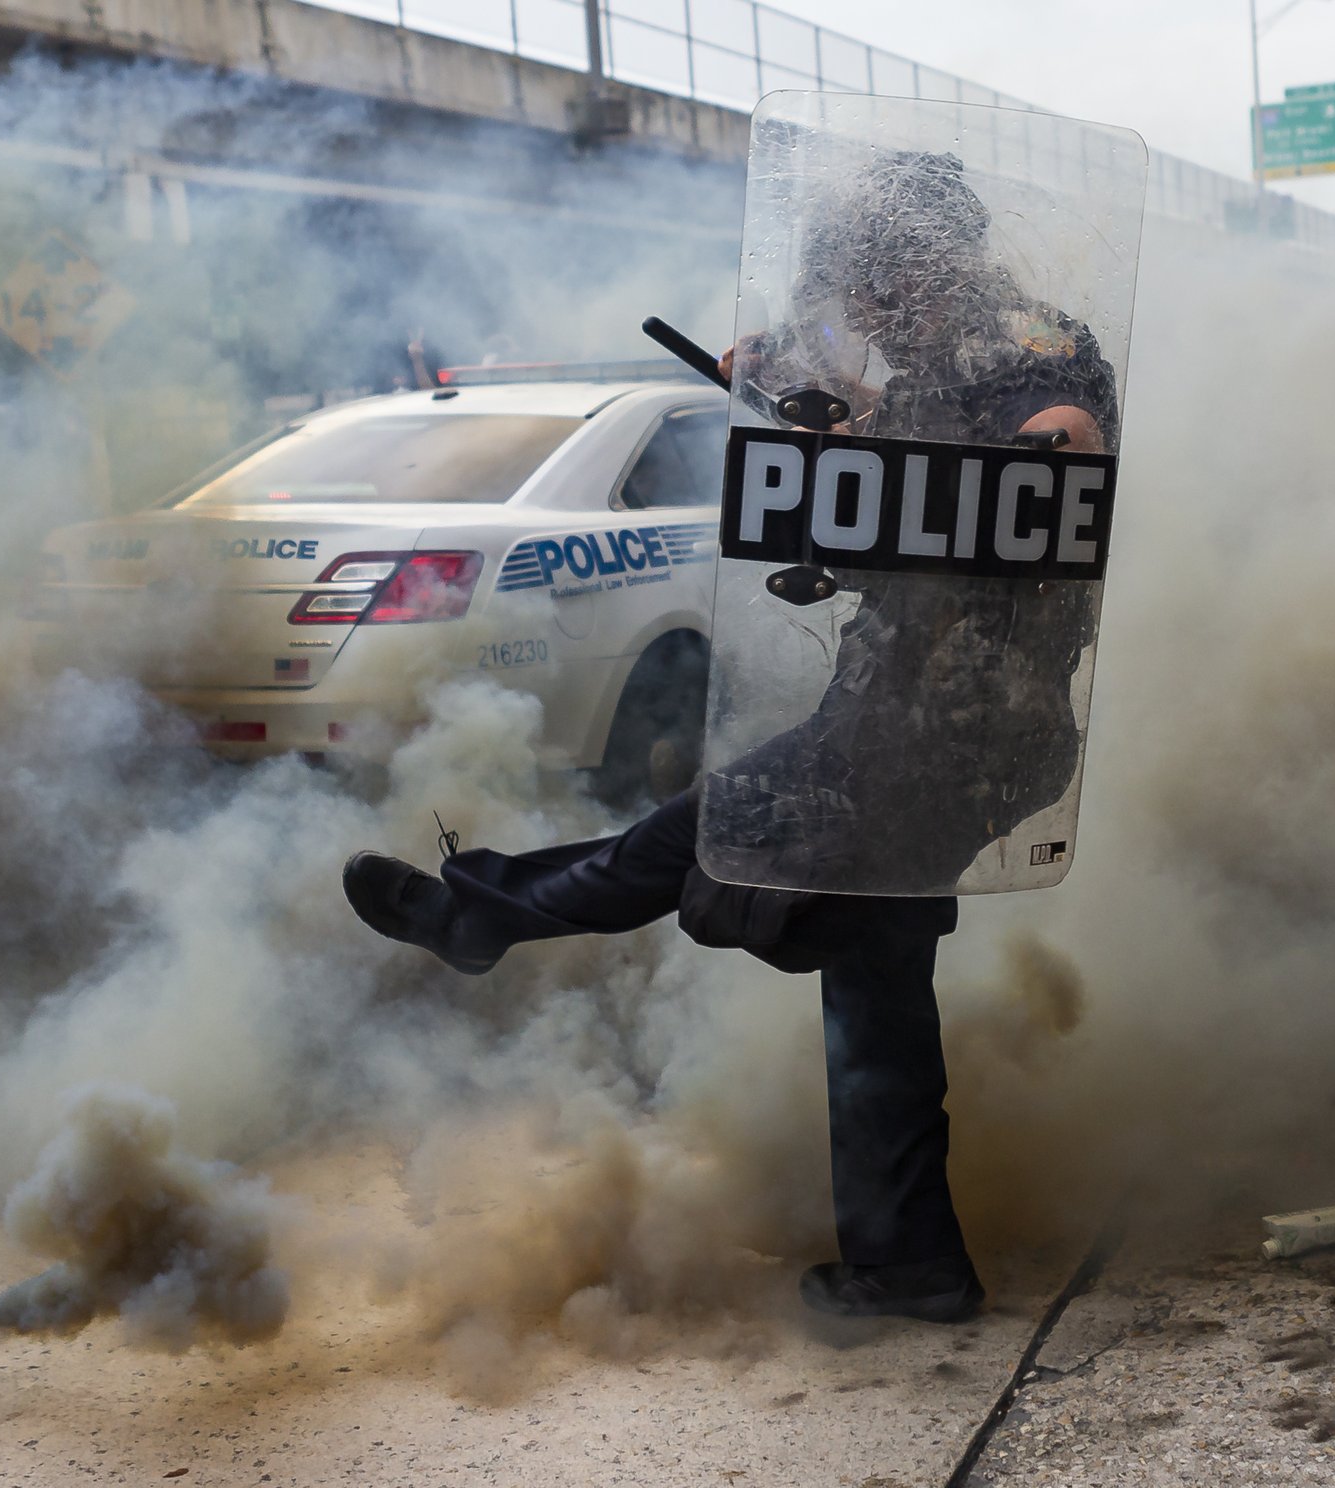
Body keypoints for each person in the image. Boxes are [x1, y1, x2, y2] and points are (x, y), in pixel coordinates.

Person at [343, 149, 1118, 1325]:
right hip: (895, 720)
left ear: (924, 268)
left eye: (870, 294)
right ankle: (909, 1265)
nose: (861, 320)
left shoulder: (1034, 352)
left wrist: (994, 458)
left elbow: (1049, 452)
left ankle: (487, 912)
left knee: (712, 841)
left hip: (956, 733)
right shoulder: (933, 366)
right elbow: (901, 483)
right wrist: (803, 412)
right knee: (867, 973)